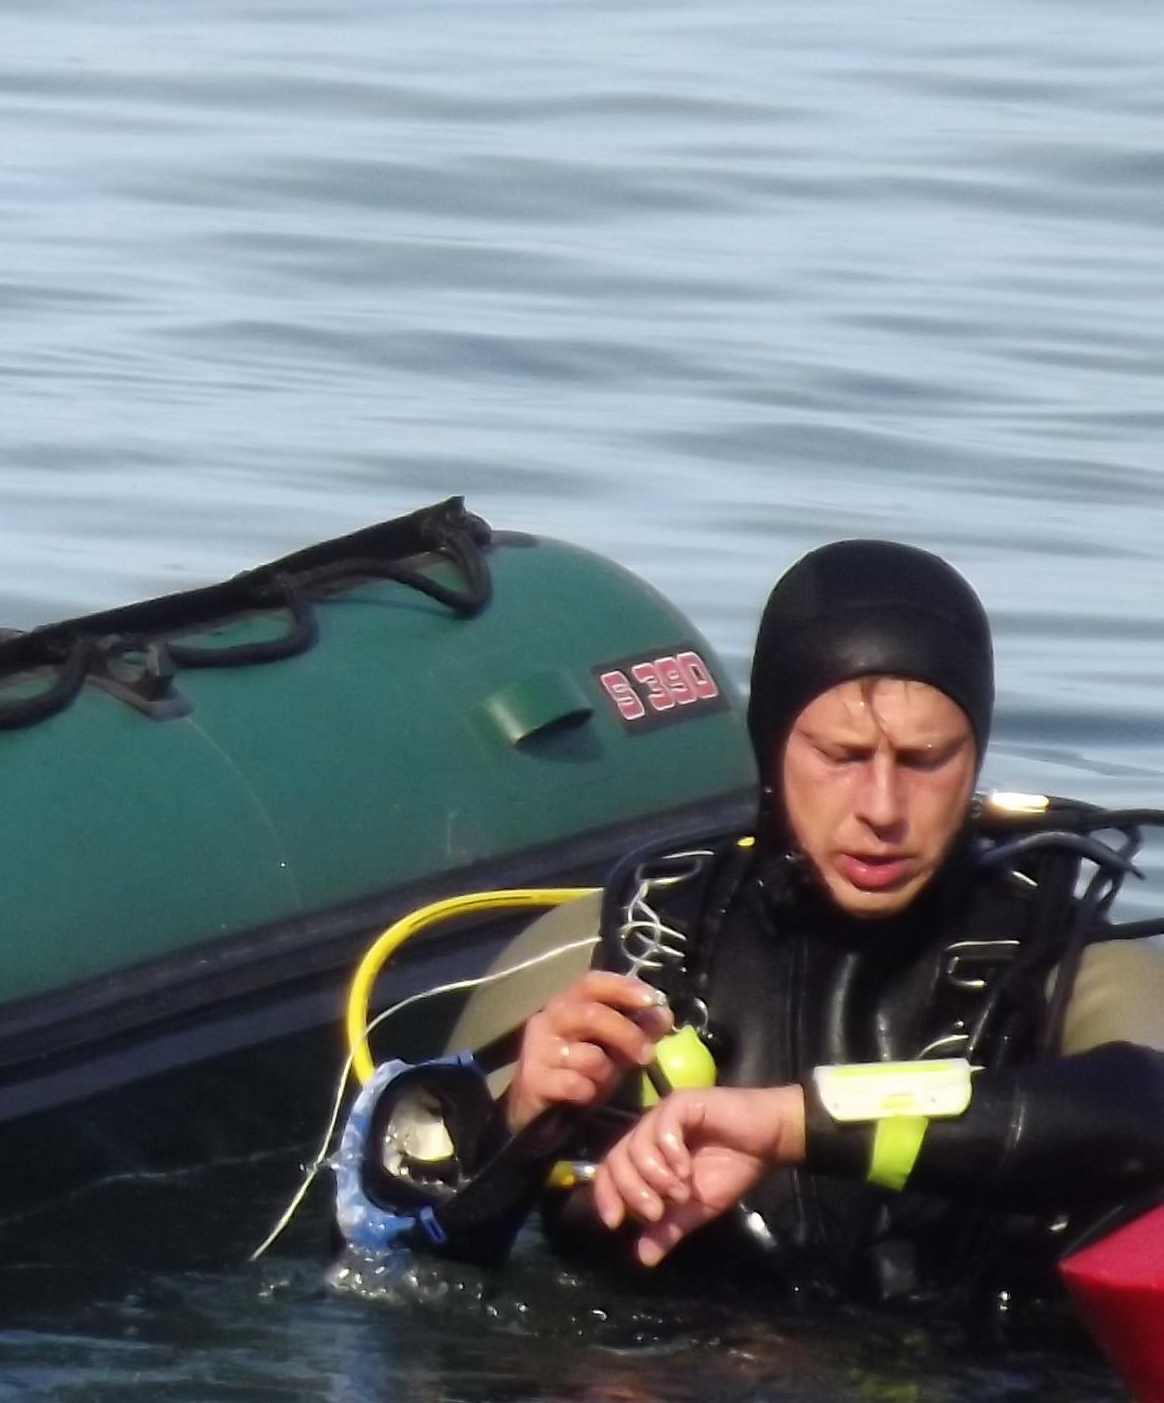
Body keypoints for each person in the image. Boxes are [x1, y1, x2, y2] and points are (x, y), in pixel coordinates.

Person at [356, 540, 1164, 1311]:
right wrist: (520, 1130)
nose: (882, 809)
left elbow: (1149, 1105)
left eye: (925, 760)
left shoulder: (1063, 964)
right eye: (841, 756)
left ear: (976, 757)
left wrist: (789, 1123)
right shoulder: (614, 951)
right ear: (772, 745)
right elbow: (392, 1285)